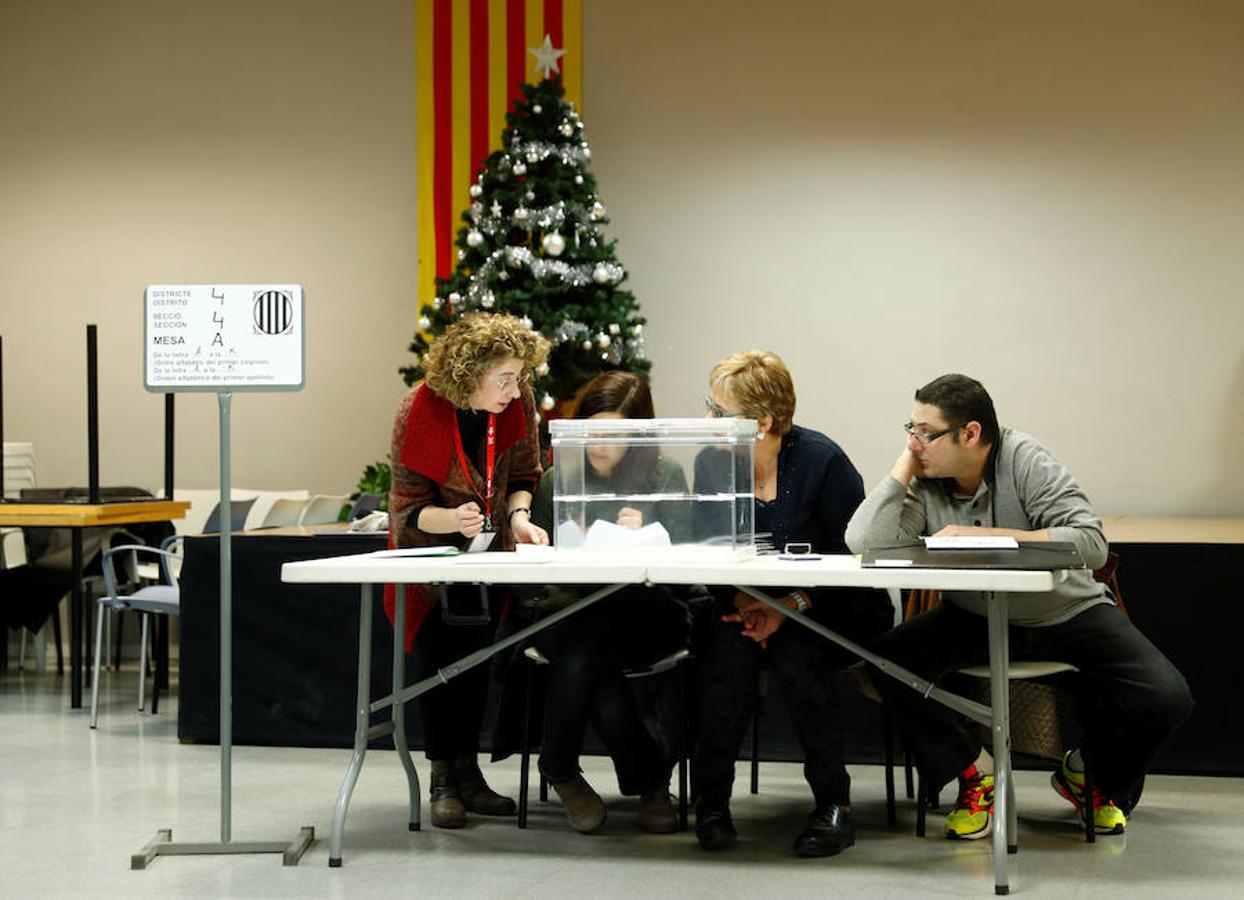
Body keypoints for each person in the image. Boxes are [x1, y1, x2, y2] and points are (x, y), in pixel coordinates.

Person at [845, 373, 1193, 839]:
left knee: (1166, 694)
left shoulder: (1023, 458)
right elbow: (864, 542)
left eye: (925, 433)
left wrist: (990, 539)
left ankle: (1086, 774)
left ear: (969, 434)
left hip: (1065, 612)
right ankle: (975, 771)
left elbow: (1089, 542)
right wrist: (903, 465)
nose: (914, 443)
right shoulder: (926, 479)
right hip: (973, 615)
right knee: (879, 666)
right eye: (909, 429)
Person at [692, 351, 894, 857]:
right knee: (725, 651)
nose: (708, 423)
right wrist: (746, 600)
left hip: (830, 606)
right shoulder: (711, 462)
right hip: (746, 605)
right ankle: (711, 805)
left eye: (720, 413)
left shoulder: (823, 462)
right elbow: (705, 546)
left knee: (798, 654)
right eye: (709, 408)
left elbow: (851, 560)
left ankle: (834, 805)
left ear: (762, 421)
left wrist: (790, 605)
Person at [386, 311, 551, 829]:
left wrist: (518, 516)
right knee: (440, 661)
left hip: (491, 553)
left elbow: (525, 473)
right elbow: (407, 507)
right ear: (467, 373)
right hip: (430, 556)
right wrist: (452, 519)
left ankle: (469, 774)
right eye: (503, 377)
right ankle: (442, 778)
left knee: (478, 659)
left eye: (519, 376)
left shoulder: (516, 404)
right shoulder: (419, 410)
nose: (513, 387)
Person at [524, 370, 689, 834]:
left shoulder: (665, 476)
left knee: (586, 652)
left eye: (615, 435)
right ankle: (653, 782)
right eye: (591, 431)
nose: (600, 444)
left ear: (638, 438)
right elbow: (537, 569)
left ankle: (559, 767)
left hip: (643, 612)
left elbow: (689, 555)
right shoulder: (560, 478)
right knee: (586, 647)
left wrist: (651, 538)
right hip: (570, 611)